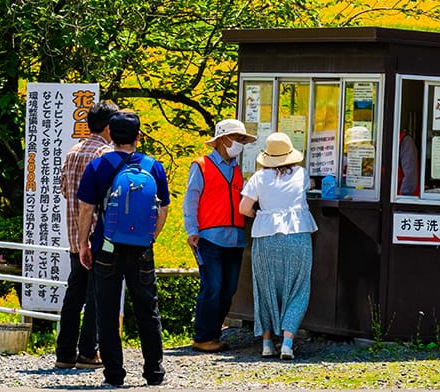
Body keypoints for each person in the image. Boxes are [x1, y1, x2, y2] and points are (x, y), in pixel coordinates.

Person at [76, 110, 170, 388]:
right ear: (138, 137)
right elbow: (163, 208)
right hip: (141, 248)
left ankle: (114, 375)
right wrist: (149, 238)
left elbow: (86, 209)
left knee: (106, 311)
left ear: (110, 135)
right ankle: (154, 373)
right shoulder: (154, 167)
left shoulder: (97, 166)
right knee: (147, 310)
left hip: (106, 247)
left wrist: (84, 243)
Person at [239, 132, 317, 360]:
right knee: (298, 289)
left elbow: (244, 208)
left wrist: (261, 215)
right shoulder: (302, 174)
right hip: (298, 235)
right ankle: (288, 343)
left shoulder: (258, 178)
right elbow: (310, 187)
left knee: (265, 289)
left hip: (265, 236)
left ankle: (266, 343)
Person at [184, 118, 255, 352]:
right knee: (212, 287)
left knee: (228, 289)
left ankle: (212, 335)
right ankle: (203, 336)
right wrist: (192, 231)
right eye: (238, 138)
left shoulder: (237, 169)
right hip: (209, 237)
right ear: (223, 139)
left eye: (243, 139)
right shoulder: (201, 165)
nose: (241, 143)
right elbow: (191, 200)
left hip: (235, 238)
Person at [55, 98, 117, 369]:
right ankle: (88, 352)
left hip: (73, 236)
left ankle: (64, 352)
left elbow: (66, 191)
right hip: (96, 236)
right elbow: (105, 199)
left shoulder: (73, 151)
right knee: (96, 294)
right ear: (108, 127)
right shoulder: (103, 155)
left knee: (75, 292)